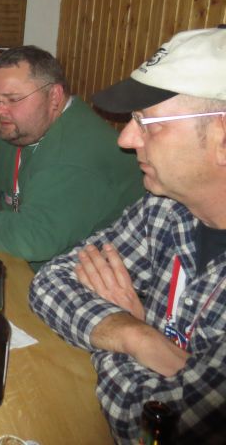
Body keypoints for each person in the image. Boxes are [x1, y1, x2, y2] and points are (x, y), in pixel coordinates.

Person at [29, 27, 226, 444]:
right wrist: (136, 334)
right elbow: (50, 282)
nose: (125, 138)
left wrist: (113, 338)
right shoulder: (166, 210)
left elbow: (158, 425)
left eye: (146, 123)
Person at [0, 46, 144, 270]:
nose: (0, 112)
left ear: (54, 96)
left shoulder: (77, 153)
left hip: (75, 278)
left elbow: (34, 238)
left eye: (13, 99)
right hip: (28, 262)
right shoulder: (26, 128)